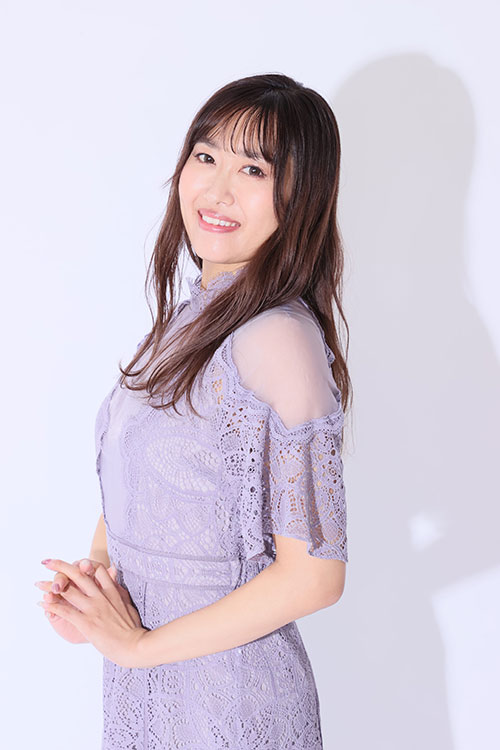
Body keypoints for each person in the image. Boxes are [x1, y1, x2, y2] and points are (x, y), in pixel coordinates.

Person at [35, 72, 352, 749]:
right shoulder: (185, 322)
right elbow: (140, 490)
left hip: (230, 699)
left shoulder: (278, 335)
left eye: (253, 169)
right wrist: (98, 593)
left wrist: (138, 648)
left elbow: (316, 576)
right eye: (206, 156)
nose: (217, 189)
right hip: (149, 687)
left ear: (301, 195)